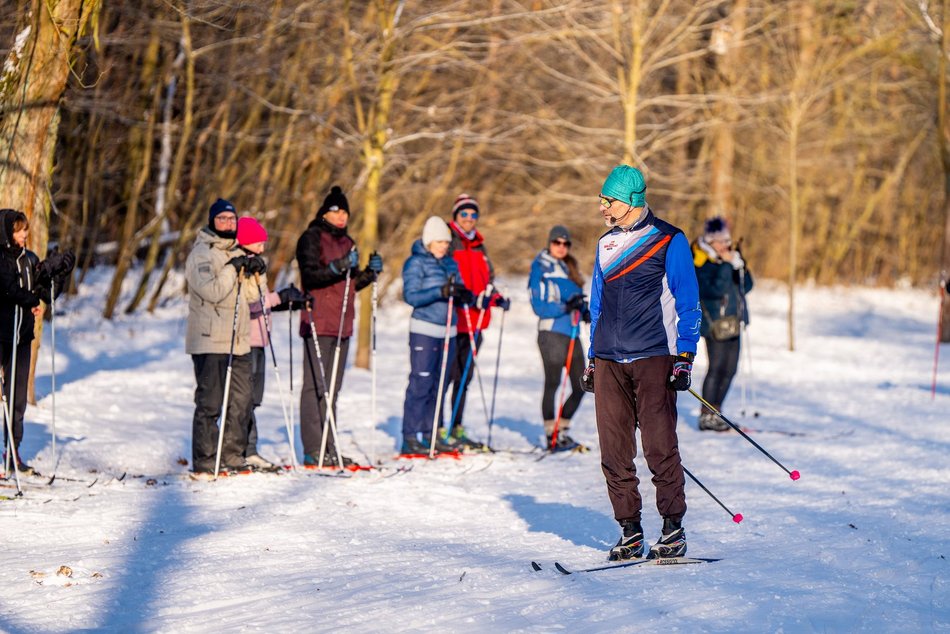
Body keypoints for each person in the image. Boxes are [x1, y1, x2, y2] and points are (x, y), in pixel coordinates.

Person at [582, 165, 701, 561]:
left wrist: (684, 356)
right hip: (608, 359)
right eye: (602, 200)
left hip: (654, 356)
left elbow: (688, 303)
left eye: (608, 201)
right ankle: (630, 530)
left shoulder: (669, 239)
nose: (602, 207)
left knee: (658, 446)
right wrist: (591, 357)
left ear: (631, 202)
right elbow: (596, 306)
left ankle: (673, 528)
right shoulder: (605, 244)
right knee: (614, 450)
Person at [295, 185, 382, 467]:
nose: (341, 216)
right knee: (315, 386)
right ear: (325, 213)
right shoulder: (311, 237)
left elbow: (351, 284)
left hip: (342, 323)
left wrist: (369, 273)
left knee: (333, 388)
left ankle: (328, 447)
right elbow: (310, 276)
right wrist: (337, 267)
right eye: (336, 211)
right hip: (317, 320)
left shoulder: (348, 242)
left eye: (345, 211)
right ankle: (312, 449)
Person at [185, 198, 263, 475]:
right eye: (222, 219)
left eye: (232, 219)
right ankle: (205, 461)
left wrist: (256, 274)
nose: (228, 224)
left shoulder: (238, 251)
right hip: (209, 339)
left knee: (241, 401)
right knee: (210, 402)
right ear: (212, 221)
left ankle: (231, 456)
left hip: (238, 341)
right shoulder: (201, 254)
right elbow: (213, 292)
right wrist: (233, 268)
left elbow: (254, 298)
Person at [0, 209, 74, 474]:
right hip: (2, 334)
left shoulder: (29, 259)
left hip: (21, 338)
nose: (24, 235)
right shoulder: (2, 259)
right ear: (7, 232)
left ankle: (12, 452)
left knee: (17, 397)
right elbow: (8, 288)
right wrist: (29, 300)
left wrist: (58, 274)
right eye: (19, 230)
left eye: (25, 230)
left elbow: (42, 292)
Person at [236, 216, 307, 471]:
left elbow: (262, 302)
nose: (262, 248)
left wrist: (287, 301)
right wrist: (278, 297)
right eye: (258, 242)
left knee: (254, 399)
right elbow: (249, 303)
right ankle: (240, 448)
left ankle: (249, 448)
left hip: (260, 342)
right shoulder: (240, 265)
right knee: (244, 398)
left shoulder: (257, 265)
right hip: (245, 341)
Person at [399, 216, 471, 455]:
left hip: (448, 331)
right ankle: (410, 435)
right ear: (429, 241)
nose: (443, 246)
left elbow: (458, 286)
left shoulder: (450, 263)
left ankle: (431, 434)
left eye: (446, 242)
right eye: (439, 242)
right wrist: (439, 290)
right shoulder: (415, 263)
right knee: (421, 383)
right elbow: (412, 296)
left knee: (439, 385)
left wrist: (463, 294)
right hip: (425, 330)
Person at [444, 194, 509, 451]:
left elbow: (487, 280)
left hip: (475, 323)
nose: (469, 220)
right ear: (456, 216)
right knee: (448, 376)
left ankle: (456, 426)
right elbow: (450, 279)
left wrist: (496, 299)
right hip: (453, 321)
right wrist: (468, 298)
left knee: (464, 377)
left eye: (473, 215)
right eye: (464, 215)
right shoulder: (449, 241)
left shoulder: (479, 247)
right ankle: (440, 428)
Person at [527, 224, 589, 451]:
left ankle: (562, 430)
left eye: (566, 243)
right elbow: (539, 306)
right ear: (550, 243)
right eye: (557, 242)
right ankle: (550, 434)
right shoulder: (540, 267)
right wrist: (566, 306)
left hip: (572, 333)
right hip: (551, 333)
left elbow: (575, 300)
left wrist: (583, 310)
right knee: (553, 383)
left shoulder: (569, 267)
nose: (561, 247)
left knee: (582, 383)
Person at [693, 216, 753, 432]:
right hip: (715, 324)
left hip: (733, 322)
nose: (726, 245)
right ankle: (705, 414)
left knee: (730, 369)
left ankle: (716, 411)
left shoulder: (731, 260)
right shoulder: (701, 262)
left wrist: (740, 265)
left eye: (727, 240)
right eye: (720, 241)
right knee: (716, 368)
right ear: (710, 242)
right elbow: (715, 289)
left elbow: (747, 286)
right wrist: (727, 265)